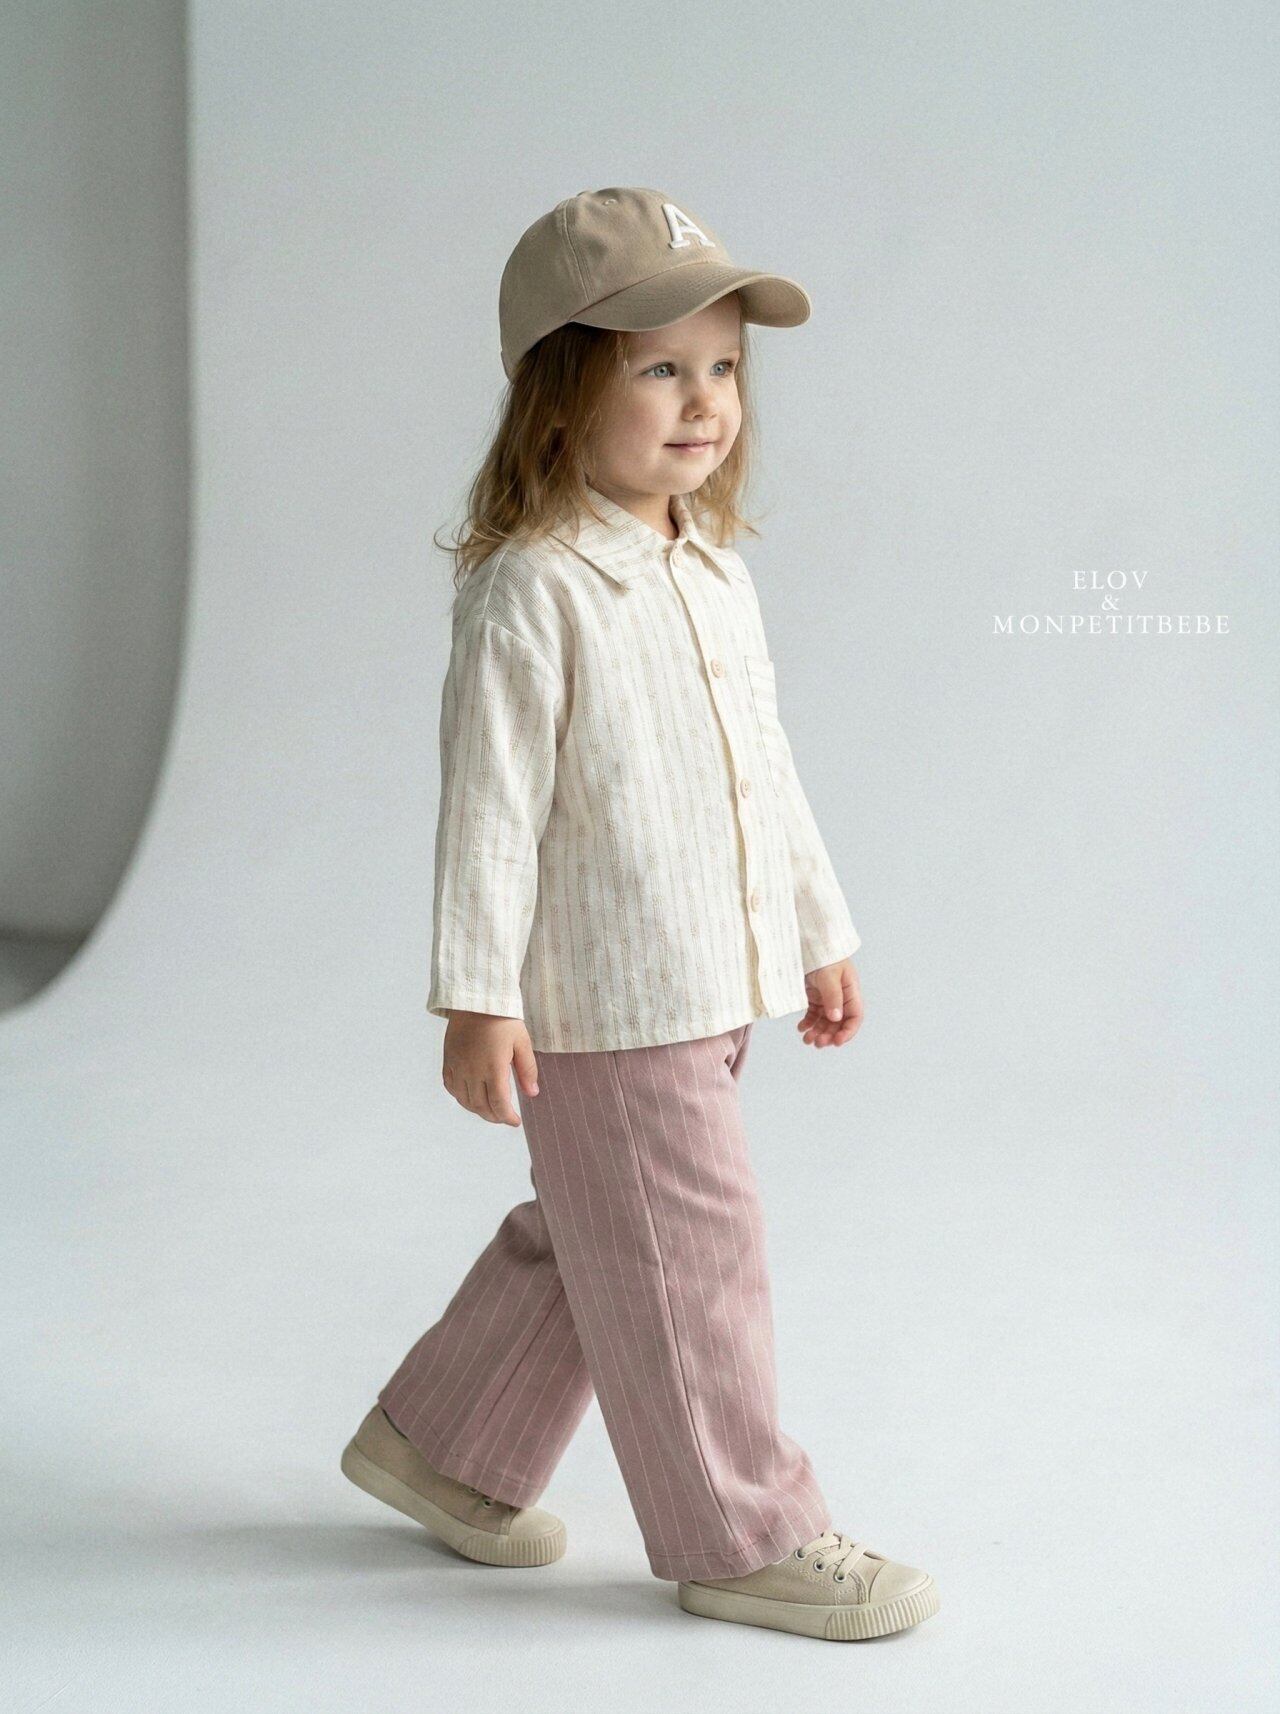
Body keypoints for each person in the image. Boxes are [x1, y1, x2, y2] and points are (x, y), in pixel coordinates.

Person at [340, 187, 939, 1643]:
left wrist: (820, 928)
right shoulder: (534, 590)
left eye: (722, 366)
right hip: (610, 1002)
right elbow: (489, 811)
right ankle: (742, 1534)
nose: (705, 401)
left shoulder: (712, 575)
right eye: (660, 367)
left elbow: (762, 773)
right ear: (558, 392)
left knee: (602, 1230)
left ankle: (444, 1445)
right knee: (688, 1249)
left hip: (712, 980)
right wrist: (478, 996)